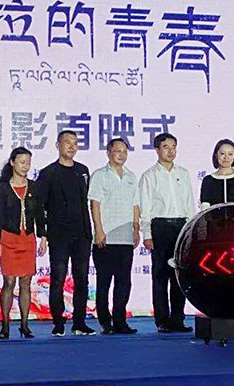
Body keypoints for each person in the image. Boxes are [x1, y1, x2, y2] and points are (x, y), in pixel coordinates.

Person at [37, 130, 96, 336]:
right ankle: (58, 322)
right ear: (58, 145)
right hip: (58, 234)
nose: (72, 146)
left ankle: (79, 322)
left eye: (75, 143)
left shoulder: (82, 171)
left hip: (82, 234)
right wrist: (43, 234)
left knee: (82, 279)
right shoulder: (48, 173)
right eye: (67, 142)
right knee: (58, 279)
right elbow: (40, 206)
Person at [139, 133, 196, 333]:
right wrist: (147, 233)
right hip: (160, 226)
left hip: (181, 226)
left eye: (173, 147)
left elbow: (189, 203)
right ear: (157, 150)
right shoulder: (149, 176)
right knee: (160, 275)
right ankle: (162, 320)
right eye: (166, 147)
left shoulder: (183, 173)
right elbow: (145, 207)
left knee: (179, 275)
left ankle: (178, 319)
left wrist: (191, 229)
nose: (170, 151)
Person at [0, 147, 47, 339]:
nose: (25, 166)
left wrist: (43, 236)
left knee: (26, 282)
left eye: (28, 163)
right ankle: (5, 324)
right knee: (9, 281)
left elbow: (40, 213)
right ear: (12, 162)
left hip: (27, 239)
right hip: (8, 238)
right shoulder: (1, 187)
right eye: (22, 162)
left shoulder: (34, 187)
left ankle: (24, 325)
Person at [88, 138, 140, 335]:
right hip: (106, 237)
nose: (121, 155)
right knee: (104, 282)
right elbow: (95, 204)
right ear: (109, 152)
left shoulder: (131, 176)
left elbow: (135, 205)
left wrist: (136, 229)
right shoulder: (100, 175)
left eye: (125, 151)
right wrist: (99, 230)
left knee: (124, 282)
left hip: (125, 237)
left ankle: (120, 321)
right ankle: (105, 322)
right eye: (117, 151)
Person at [199, 138, 234, 209]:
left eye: (230, 154)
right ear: (216, 155)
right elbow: (205, 209)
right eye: (222, 154)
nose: (226, 158)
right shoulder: (208, 180)